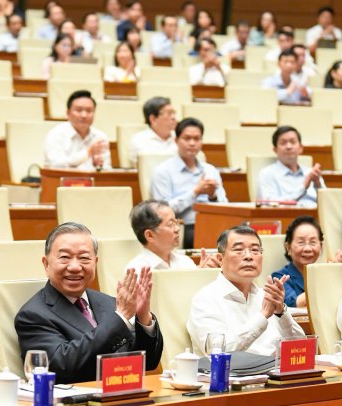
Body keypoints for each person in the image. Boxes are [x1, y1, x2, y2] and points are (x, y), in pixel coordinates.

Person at [15, 222, 164, 384]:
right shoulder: (33, 315)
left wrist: (143, 317)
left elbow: (148, 363)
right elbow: (62, 367)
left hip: (122, 395)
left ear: (95, 262)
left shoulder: (109, 303)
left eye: (84, 258)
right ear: (46, 264)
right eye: (64, 257)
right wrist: (121, 318)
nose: (74, 267)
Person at [187, 225, 305, 357]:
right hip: (229, 376)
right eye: (238, 250)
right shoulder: (205, 300)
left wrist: (281, 313)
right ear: (220, 259)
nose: (249, 256)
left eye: (255, 250)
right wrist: (263, 315)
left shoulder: (266, 296)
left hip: (275, 374)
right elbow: (218, 354)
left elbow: (301, 348)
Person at [151, 117, 227, 248]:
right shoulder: (163, 171)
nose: (192, 143)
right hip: (184, 227)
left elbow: (225, 206)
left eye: (197, 139)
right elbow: (161, 212)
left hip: (213, 224)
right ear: (176, 141)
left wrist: (212, 197)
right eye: (187, 138)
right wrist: (195, 192)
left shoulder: (210, 170)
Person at [273, 216, 342, 308]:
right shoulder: (280, 277)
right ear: (288, 247)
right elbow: (293, 304)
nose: (307, 248)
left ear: (321, 246)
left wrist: (338, 272)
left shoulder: (323, 272)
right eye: (301, 242)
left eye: (313, 242)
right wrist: (327, 277)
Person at [126, 200, 220, 272]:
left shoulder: (184, 261)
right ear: (150, 235)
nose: (177, 229)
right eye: (170, 224)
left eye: (176, 222)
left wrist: (201, 275)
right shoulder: (136, 270)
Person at [44, 89, 110, 170]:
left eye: (89, 111)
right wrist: (87, 153)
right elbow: (56, 166)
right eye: (79, 110)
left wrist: (99, 167)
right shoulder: (56, 134)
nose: (84, 115)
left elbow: (107, 169)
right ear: (68, 113)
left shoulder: (100, 137)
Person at [257, 126, 322, 207]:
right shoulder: (267, 174)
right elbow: (271, 204)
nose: (289, 147)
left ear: (301, 148)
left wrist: (318, 185)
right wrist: (303, 187)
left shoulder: (311, 173)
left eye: (293, 142)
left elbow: (328, 203)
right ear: (275, 150)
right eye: (283, 143)